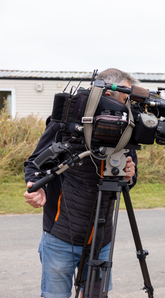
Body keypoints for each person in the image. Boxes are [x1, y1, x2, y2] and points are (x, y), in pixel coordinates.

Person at [23, 68, 139, 298]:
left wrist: (129, 176)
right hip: (61, 236)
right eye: (125, 99)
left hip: (103, 239)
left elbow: (130, 177)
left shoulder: (126, 129)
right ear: (107, 94)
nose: (128, 107)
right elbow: (35, 164)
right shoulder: (66, 122)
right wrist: (35, 188)